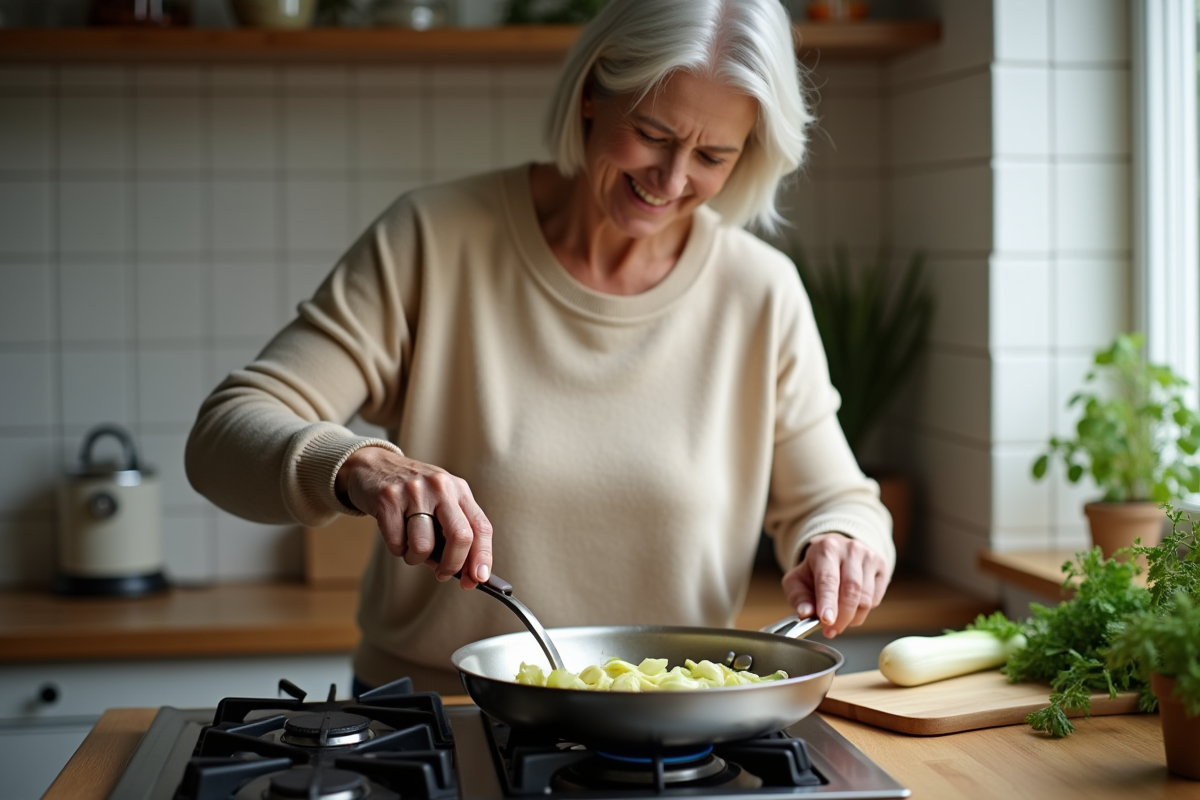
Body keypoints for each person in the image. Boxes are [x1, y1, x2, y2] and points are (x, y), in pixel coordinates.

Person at [185, 0, 894, 695]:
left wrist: (842, 542)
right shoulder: (433, 240)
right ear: (591, 93)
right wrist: (358, 465)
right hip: (434, 711)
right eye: (651, 133)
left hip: (666, 724)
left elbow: (838, 499)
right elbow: (225, 433)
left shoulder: (760, 290)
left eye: (713, 155)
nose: (672, 180)